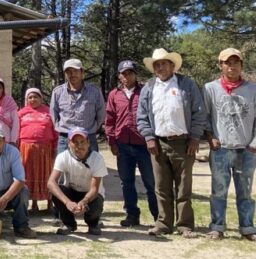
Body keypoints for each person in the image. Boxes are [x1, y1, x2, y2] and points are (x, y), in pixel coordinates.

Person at [136, 48, 206, 238]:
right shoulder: (148, 88)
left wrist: (194, 137)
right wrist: (149, 137)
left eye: (164, 63)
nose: (160, 67)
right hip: (158, 143)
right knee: (161, 186)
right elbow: (141, 117)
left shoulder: (187, 85)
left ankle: (184, 225)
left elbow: (199, 112)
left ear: (172, 66)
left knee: (184, 187)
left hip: (184, 143)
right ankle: (163, 223)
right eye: (157, 65)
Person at [203, 48, 256, 241]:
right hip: (220, 148)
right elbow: (205, 116)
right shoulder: (210, 88)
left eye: (236, 62)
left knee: (245, 192)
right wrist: (210, 137)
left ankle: (247, 227)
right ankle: (217, 226)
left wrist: (255, 142)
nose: (231, 66)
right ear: (220, 65)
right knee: (218, 190)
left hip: (246, 149)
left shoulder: (252, 89)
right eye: (227, 62)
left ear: (241, 65)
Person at [105, 60, 157, 227]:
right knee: (126, 182)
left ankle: (158, 216)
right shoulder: (114, 94)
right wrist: (112, 141)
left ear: (135, 74)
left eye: (129, 73)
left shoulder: (146, 91)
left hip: (144, 144)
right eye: (123, 73)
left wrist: (152, 139)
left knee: (151, 182)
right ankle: (132, 215)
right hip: (122, 145)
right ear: (119, 76)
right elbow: (110, 120)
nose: (126, 76)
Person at [47, 127, 107, 236]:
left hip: (91, 194)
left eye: (82, 142)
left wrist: (84, 201)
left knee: (97, 201)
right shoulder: (63, 156)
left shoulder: (97, 158)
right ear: (69, 143)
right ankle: (69, 223)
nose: (79, 146)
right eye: (75, 142)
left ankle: (93, 224)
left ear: (88, 142)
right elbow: (51, 182)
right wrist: (67, 202)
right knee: (56, 191)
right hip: (72, 191)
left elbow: (94, 188)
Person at [50, 59, 105, 153]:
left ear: (82, 72)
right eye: (69, 71)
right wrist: (59, 126)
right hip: (65, 139)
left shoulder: (94, 91)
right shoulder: (57, 92)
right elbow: (53, 112)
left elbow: (101, 112)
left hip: (88, 137)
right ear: (65, 74)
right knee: (64, 167)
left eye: (75, 71)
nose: (72, 74)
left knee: (90, 166)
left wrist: (94, 128)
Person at [17, 88, 57, 212]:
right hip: (26, 148)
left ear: (41, 98)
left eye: (36, 97)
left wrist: (55, 147)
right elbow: (16, 131)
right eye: (30, 97)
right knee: (29, 174)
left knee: (47, 174)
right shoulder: (21, 113)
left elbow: (55, 131)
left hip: (45, 148)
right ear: (26, 99)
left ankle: (50, 203)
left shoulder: (49, 112)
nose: (33, 99)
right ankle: (33, 204)